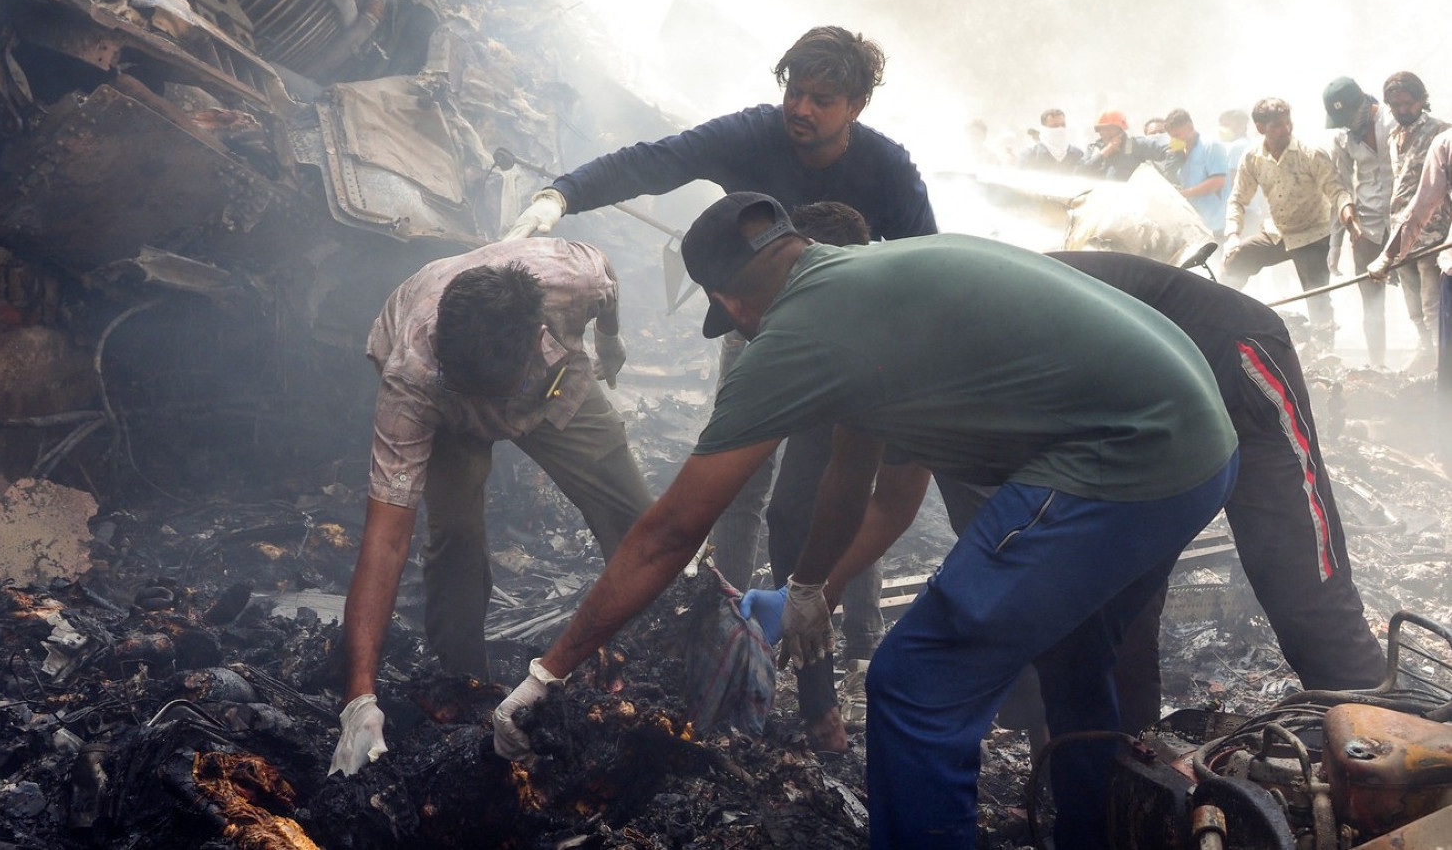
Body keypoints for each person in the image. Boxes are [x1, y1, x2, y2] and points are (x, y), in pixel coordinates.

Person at [493, 192, 1239, 850]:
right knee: (1074, 658)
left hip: (1122, 461)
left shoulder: (795, 333)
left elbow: (671, 530)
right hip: (1198, 446)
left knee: (916, 685)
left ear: (732, 305)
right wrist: (809, 589)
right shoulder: (868, 283)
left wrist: (547, 672)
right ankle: (1089, 838)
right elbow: (869, 487)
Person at [505, 25, 937, 591]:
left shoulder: (888, 169)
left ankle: (841, 625)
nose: (800, 109)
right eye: (794, 92)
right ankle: (730, 611)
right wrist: (561, 195)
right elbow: (656, 161)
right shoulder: (752, 135)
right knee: (738, 478)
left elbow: (923, 264)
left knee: (828, 490)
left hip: (841, 341)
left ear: (855, 106)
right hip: (752, 325)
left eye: (822, 100)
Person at [940, 251, 1383, 735]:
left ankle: (1387, 743)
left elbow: (1004, 554)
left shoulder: (948, 353)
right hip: (1131, 412)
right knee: (1112, 599)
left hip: (1226, 358)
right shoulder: (939, 380)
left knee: (1299, 578)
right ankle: (1123, 763)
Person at [329, 239, 652, 777]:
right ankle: (465, 689)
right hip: (446, 410)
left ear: (537, 335)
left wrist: (610, 339)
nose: (495, 413)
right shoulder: (412, 381)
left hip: (551, 389)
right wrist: (358, 698)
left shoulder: (573, 280)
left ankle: (639, 664)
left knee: (636, 519)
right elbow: (385, 541)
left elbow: (609, 284)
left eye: (498, 392)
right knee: (455, 536)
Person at [749, 201, 886, 752]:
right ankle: (819, 704)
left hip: (918, 400)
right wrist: (803, 594)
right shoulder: (807, 320)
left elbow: (888, 501)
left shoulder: (886, 314)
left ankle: (864, 647)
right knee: (790, 515)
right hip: (832, 383)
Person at [1224, 97, 1360, 340]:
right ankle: (1225, 319)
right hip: (1277, 232)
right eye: (1277, 125)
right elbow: (1237, 199)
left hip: (1313, 234)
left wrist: (1348, 213)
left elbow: (1337, 191)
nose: (1285, 129)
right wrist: (1232, 235)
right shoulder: (1252, 157)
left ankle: (1323, 348)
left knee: (1316, 296)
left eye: (1287, 122)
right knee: (1236, 262)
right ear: (1260, 128)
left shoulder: (1310, 153)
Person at [1369, 129, 1452, 465]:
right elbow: (1421, 206)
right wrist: (1389, 255)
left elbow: (1420, 207)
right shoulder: (1446, 145)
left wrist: (1388, 255)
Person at [1380, 72, 1449, 373]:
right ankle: (1425, 350)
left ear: (1421, 99)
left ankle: (1441, 361)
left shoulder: (1440, 132)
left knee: (1433, 303)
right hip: (1402, 231)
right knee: (1414, 305)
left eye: (1407, 103)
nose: (1402, 110)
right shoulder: (1393, 137)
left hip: (1433, 232)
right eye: (1395, 105)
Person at [1325, 77, 1395, 367]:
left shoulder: (1393, 122)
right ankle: (1378, 365)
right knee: (1372, 301)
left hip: (1406, 221)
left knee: (1420, 293)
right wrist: (1336, 243)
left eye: (1349, 116)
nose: (1347, 124)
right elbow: (1340, 189)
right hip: (1367, 227)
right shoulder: (1343, 138)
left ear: (1363, 103)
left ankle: (1430, 354)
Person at [1165, 108, 1229, 237]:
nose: (1175, 140)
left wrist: (1183, 194)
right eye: (1172, 137)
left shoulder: (1210, 145)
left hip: (1218, 222)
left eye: (1177, 135)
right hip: (1198, 225)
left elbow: (1218, 182)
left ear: (1190, 127)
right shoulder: (1179, 153)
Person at [1082, 109, 1170, 182]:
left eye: (1109, 128)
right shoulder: (1094, 149)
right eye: (1101, 129)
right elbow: (1080, 173)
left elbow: (1166, 152)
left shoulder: (1135, 145)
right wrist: (1103, 154)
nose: (1104, 133)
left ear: (1120, 130)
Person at [1016, 107, 1086, 172]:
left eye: (1063, 125)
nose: (1060, 129)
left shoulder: (1078, 154)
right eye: (1054, 126)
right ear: (1044, 129)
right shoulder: (1030, 154)